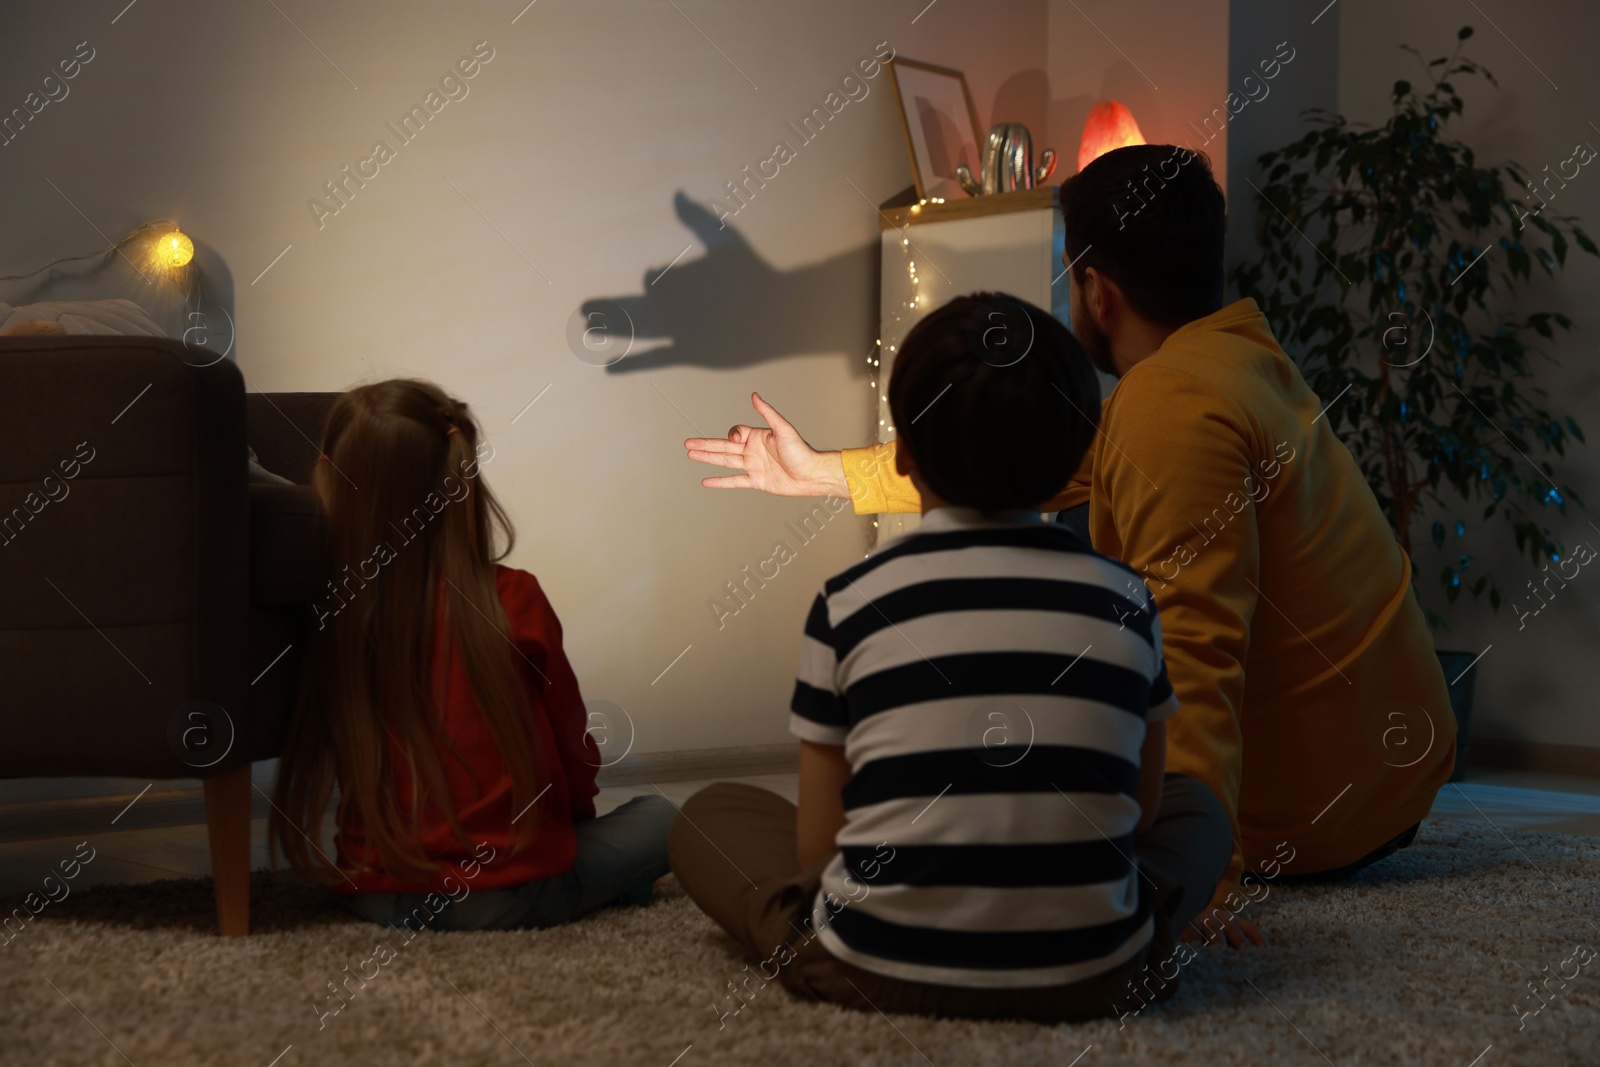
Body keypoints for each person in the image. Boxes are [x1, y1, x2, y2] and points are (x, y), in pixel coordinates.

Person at [684, 145, 1457, 948]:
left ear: (1097, 288)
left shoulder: (1172, 406)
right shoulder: (1233, 360)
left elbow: (1198, 645)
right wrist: (819, 474)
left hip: (1319, 808)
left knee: (715, 819)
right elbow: (1012, 455)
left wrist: (1203, 887)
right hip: (1385, 775)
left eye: (1069, 274)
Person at [670, 294, 1233, 1024]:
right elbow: (1146, 806)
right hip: (1096, 975)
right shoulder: (1125, 596)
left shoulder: (850, 600)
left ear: (901, 454)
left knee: (708, 816)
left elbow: (819, 843)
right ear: (1075, 457)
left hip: (871, 971)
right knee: (1202, 811)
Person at [271, 378, 673, 931]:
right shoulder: (515, 598)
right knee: (665, 817)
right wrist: (570, 830)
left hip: (374, 894)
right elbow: (573, 753)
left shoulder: (331, 613)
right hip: (509, 893)